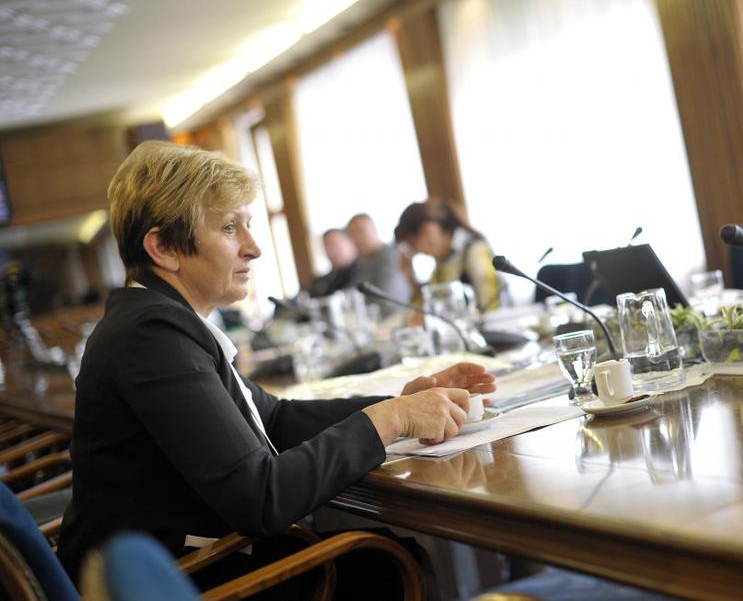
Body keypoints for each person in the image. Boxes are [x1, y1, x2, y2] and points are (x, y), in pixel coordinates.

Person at [56, 142, 496, 589]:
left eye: (248, 225)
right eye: (230, 228)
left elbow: (273, 418)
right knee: (390, 563)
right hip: (171, 583)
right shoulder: (152, 335)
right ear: (164, 247)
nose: (253, 248)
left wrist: (402, 404)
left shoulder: (158, 320)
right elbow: (261, 498)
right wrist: (390, 421)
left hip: (183, 562)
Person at [394, 199, 504, 311]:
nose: (414, 252)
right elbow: (430, 304)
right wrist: (410, 279)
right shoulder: (444, 262)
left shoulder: (474, 251)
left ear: (427, 231)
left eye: (412, 245)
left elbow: (491, 307)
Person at [345, 213, 412, 316]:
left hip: (398, 318)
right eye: (352, 235)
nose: (357, 239)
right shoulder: (360, 263)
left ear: (374, 230)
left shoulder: (390, 256)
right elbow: (350, 296)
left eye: (361, 232)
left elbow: (386, 303)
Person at [308, 227, 357, 297]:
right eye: (327, 247)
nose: (331, 252)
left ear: (350, 244)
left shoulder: (365, 271)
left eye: (335, 245)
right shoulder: (322, 282)